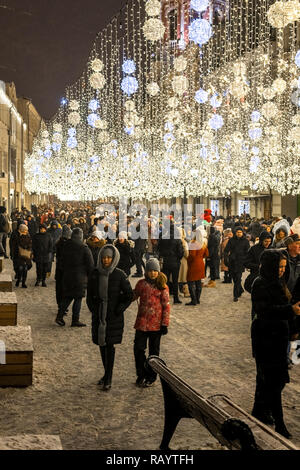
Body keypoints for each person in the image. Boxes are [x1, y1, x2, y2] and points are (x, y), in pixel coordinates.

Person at [251, 250, 300, 438]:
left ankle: (260, 410)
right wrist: (291, 310)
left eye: (283, 267)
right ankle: (279, 423)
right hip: (266, 337)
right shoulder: (260, 283)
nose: (281, 270)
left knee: (266, 379)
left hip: (278, 337)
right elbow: (264, 310)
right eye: (279, 267)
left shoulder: (277, 282)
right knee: (274, 380)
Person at [86, 245, 133, 391]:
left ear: (113, 259)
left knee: (109, 345)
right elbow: (89, 296)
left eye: (108, 257)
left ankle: (109, 377)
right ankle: (106, 373)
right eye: (104, 257)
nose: (106, 260)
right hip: (99, 314)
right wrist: (94, 309)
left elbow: (129, 295)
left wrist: (119, 309)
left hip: (113, 316)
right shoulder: (95, 273)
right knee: (101, 344)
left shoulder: (119, 275)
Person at [133, 258, 170, 387]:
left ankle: (151, 376)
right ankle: (141, 374)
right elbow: (133, 296)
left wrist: (165, 323)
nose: (153, 273)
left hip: (156, 325)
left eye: (155, 271)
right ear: (146, 271)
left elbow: (166, 306)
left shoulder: (162, 286)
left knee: (154, 352)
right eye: (150, 270)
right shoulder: (141, 284)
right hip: (142, 324)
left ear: (158, 272)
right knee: (138, 349)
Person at [55, 228, 94, 328]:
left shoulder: (65, 246)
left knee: (67, 297)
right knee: (78, 298)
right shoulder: (84, 248)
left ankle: (59, 316)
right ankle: (75, 320)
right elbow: (90, 265)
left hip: (67, 276)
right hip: (79, 278)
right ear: (81, 236)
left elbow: (61, 262)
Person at [158, 224, 184, 304]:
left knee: (165, 281)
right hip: (175, 262)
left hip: (165, 262)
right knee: (175, 281)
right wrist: (178, 258)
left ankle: (165, 297)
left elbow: (159, 249)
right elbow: (180, 252)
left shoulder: (163, 238)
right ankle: (176, 298)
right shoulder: (177, 239)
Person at [224, 226, 250, 302]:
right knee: (235, 279)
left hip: (240, 262)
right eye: (238, 232)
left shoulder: (245, 241)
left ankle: (235, 295)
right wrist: (226, 259)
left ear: (242, 233)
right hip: (232, 262)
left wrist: (246, 261)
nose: (239, 234)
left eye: (240, 232)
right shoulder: (231, 240)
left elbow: (248, 252)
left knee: (238, 278)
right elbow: (226, 250)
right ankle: (240, 289)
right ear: (235, 233)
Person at [186, 228, 209, 306]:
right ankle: (198, 299)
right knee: (198, 282)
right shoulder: (203, 244)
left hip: (193, 264)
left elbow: (192, 255)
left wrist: (187, 260)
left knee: (191, 282)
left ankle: (193, 300)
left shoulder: (193, 243)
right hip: (200, 264)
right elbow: (207, 254)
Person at [55, 225, 72, 315]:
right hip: (65, 270)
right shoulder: (68, 244)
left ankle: (61, 305)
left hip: (59, 269)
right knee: (64, 289)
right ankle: (62, 306)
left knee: (59, 289)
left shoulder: (58, 242)